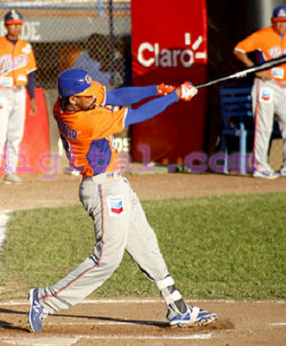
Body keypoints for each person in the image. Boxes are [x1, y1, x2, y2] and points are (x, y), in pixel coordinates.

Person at [27, 69, 216, 332]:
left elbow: (115, 94)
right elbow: (137, 114)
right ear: (72, 100)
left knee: (147, 246)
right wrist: (175, 96)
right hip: (103, 188)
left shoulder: (68, 102)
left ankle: (177, 307)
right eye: (85, 96)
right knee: (106, 259)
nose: (93, 97)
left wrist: (156, 90)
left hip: (116, 184)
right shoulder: (87, 121)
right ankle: (45, 299)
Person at [233, 6, 286, 179]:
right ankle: (260, 166)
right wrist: (254, 68)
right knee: (264, 126)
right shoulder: (262, 35)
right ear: (273, 21)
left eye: (285, 21)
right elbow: (239, 50)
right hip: (266, 85)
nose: (282, 25)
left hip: (284, 87)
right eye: (279, 21)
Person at [0, 10, 37, 185]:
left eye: (19, 24)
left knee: (16, 134)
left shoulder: (26, 47)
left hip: (20, 92)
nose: (16, 27)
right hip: (2, 92)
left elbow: (31, 74)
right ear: (6, 25)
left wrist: (33, 97)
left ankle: (10, 171)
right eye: (13, 24)